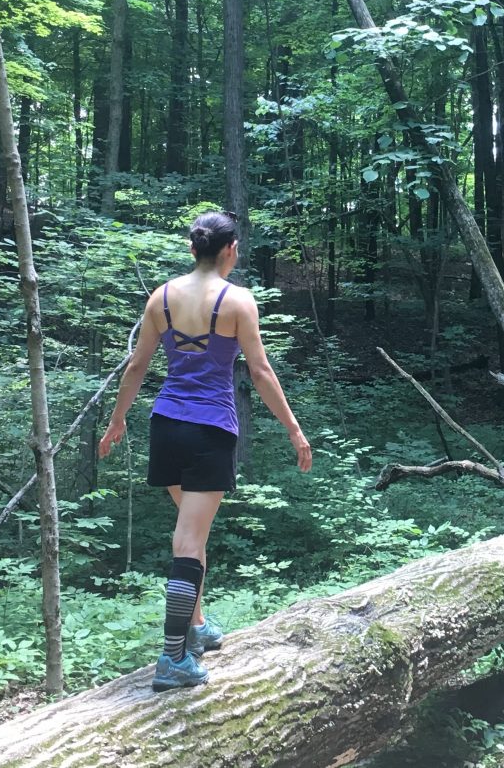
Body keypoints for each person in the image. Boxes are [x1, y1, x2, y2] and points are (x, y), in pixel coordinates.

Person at [98, 210, 311, 692]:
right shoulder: (238, 301)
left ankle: (195, 628)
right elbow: (260, 373)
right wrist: (294, 430)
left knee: (191, 533)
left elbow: (136, 367)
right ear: (230, 250)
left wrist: (116, 421)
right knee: (189, 543)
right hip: (211, 429)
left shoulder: (162, 297)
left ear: (194, 248)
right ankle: (173, 660)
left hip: (166, 425)